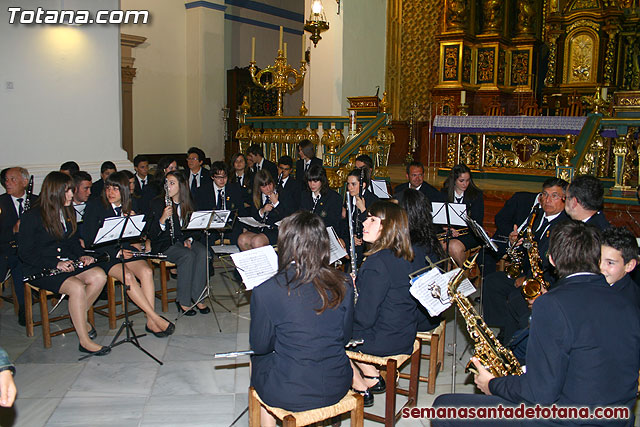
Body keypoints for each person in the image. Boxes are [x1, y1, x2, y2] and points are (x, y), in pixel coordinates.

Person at [433, 221, 640, 427]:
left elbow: (540, 393)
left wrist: (493, 384)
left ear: (551, 259)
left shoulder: (551, 304)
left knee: (443, 408)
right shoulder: (627, 302)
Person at [250, 211, 354, 425]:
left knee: (258, 359)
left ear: (286, 244)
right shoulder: (343, 282)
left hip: (291, 391)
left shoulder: (266, 290)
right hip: (337, 383)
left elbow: (260, 346)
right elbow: (344, 338)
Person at [18, 172, 109, 355]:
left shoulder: (67, 212)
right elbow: (25, 253)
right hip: (40, 268)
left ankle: (77, 315)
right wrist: (55, 264)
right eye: (68, 191)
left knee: (99, 275)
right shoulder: (32, 216)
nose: (71, 194)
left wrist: (82, 255)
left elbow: (72, 242)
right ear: (55, 192)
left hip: (65, 264)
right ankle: (84, 340)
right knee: (76, 287)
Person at [83, 171, 175, 337]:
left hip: (125, 251)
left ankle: (150, 321)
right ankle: (154, 317)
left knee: (147, 271)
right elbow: (90, 239)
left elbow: (141, 235)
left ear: (124, 191)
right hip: (106, 255)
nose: (110, 193)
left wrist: (133, 223)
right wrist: (117, 252)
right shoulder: (95, 205)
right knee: (129, 277)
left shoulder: (131, 204)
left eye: (115, 189)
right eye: (108, 188)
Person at [483, 177, 568, 345]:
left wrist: (527, 278)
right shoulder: (537, 217)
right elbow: (528, 246)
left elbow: (551, 264)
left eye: (554, 196)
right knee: (492, 282)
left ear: (565, 199)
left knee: (516, 296)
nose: (548, 200)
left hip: (545, 280)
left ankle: (515, 339)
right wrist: (515, 243)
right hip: (526, 270)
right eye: (545, 194)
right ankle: (504, 329)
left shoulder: (565, 226)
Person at [350, 201, 419, 407]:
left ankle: (360, 386)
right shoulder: (404, 254)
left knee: (325, 333)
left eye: (372, 219)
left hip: (385, 339)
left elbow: (364, 319)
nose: (364, 223)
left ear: (387, 227)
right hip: (404, 333)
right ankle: (372, 376)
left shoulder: (376, 263)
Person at [149, 171, 209, 316]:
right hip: (165, 244)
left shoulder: (190, 202)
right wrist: (162, 220)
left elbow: (195, 230)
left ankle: (198, 296)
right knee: (187, 256)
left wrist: (189, 240)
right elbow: (151, 233)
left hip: (183, 241)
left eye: (172, 183)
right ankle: (183, 301)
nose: (168, 187)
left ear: (181, 186)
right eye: (166, 183)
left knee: (203, 253)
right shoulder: (157, 203)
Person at [398, 188, 445, 332]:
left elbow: (401, 290)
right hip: (430, 313)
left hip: (418, 316)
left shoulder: (411, 247)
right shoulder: (427, 237)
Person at [0, 167, 38, 326]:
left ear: (25, 182)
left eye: (12, 179)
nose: (7, 183)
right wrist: (14, 231)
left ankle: (25, 306)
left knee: (22, 266)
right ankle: (25, 306)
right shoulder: (1, 202)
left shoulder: (37, 201)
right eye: (6, 180)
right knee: (16, 263)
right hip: (5, 250)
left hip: (28, 250)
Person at [237, 170, 295, 250]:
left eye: (270, 184)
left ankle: (264, 261)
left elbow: (289, 215)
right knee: (242, 239)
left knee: (257, 241)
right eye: (264, 187)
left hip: (276, 230)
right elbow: (254, 215)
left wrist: (276, 203)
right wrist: (262, 210)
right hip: (260, 229)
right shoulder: (257, 196)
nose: (268, 189)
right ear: (259, 188)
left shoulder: (283, 193)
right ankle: (252, 262)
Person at [440, 163, 484, 268]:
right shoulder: (444, 193)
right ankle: (445, 276)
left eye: (468, 180)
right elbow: (440, 217)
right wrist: (446, 228)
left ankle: (464, 275)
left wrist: (458, 231)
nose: (465, 184)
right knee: (440, 245)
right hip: (449, 232)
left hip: (469, 234)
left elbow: (477, 220)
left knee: (454, 247)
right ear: (454, 180)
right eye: (461, 181)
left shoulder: (476, 195)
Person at [200, 161, 246, 245]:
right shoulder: (203, 191)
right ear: (212, 177)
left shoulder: (234, 189)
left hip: (230, 224)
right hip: (211, 225)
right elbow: (202, 212)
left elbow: (240, 211)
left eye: (224, 177)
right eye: (218, 177)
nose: (222, 180)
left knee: (238, 235)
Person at [340, 168, 378, 267]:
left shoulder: (373, 200)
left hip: (366, 245)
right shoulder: (349, 198)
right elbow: (346, 223)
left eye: (353, 184)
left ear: (363, 185)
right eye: (348, 184)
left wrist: (363, 210)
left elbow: (374, 227)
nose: (349, 187)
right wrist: (350, 237)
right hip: (351, 241)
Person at [600, 226, 640, 307]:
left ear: (629, 266)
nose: (600, 267)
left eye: (610, 263)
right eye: (598, 259)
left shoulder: (626, 305)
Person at [299, 165, 342, 231]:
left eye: (315, 181)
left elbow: (333, 223)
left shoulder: (334, 198)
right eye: (309, 181)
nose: (312, 184)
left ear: (322, 180)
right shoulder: (304, 195)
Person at [71, 170, 92, 242]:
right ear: (75, 189)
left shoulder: (93, 205)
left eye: (90, 188)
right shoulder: (66, 208)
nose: (89, 192)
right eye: (86, 188)